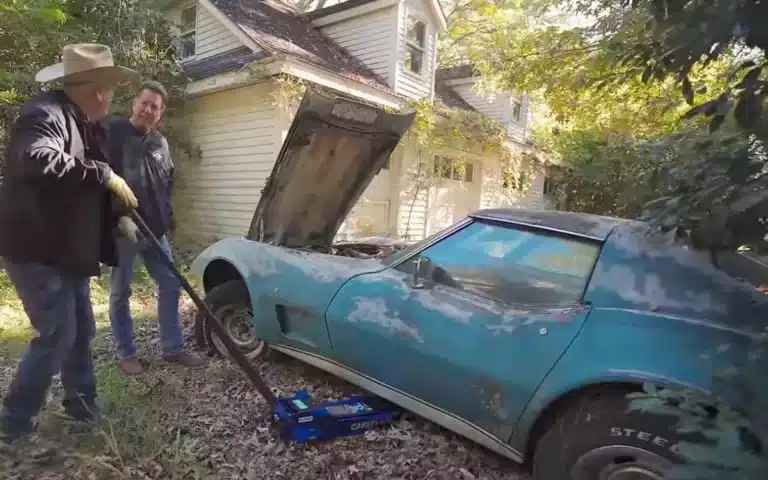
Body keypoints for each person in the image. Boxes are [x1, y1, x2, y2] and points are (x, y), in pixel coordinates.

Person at [0, 44, 141, 456]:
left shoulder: (85, 124)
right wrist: (104, 175)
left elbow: (87, 184)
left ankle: (81, 407)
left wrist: (119, 216)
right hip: (34, 248)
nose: (111, 96)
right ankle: (13, 426)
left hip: (65, 248)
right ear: (97, 90)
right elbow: (36, 158)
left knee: (81, 330)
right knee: (57, 333)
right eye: (110, 89)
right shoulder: (44, 113)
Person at [103, 80, 203, 375]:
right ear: (135, 102)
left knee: (171, 285)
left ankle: (172, 349)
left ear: (160, 113)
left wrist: (167, 215)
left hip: (155, 231)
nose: (148, 110)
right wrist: (118, 216)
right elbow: (99, 178)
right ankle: (126, 354)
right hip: (123, 231)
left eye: (154, 107)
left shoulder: (160, 143)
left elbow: (167, 179)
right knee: (120, 293)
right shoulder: (113, 133)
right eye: (144, 103)